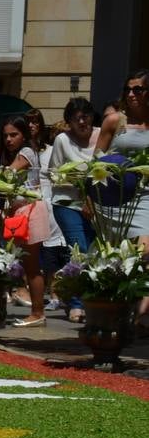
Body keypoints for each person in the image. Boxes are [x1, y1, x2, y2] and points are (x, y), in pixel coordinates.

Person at [95, 68, 149, 329]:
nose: (131, 94)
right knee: (116, 256)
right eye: (128, 89)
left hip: (146, 196)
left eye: (137, 89)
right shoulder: (115, 121)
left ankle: (137, 314)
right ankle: (117, 311)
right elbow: (96, 160)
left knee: (145, 251)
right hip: (113, 198)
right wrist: (88, 197)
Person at [0, 114, 64, 328]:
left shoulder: (26, 152)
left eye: (14, 135)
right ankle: (35, 310)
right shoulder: (18, 152)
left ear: (24, 135)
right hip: (20, 212)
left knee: (31, 264)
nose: (9, 139)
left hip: (30, 212)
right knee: (25, 263)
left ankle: (38, 313)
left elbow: (9, 173)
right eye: (6, 136)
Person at [49, 97, 100, 323]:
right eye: (76, 118)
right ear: (69, 121)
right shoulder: (62, 139)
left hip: (98, 205)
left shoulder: (102, 135)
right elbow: (53, 174)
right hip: (67, 202)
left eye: (85, 116)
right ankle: (77, 304)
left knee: (95, 251)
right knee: (78, 249)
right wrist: (78, 182)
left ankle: (94, 300)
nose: (82, 121)